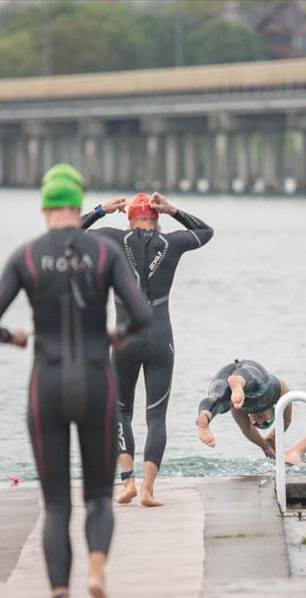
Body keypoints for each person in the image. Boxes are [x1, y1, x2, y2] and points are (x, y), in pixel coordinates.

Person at [0, 164, 152, 598]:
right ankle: (96, 571)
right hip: (96, 382)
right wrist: (116, 335)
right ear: (77, 206)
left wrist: (15, 338)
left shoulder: (26, 257)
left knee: (56, 507)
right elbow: (140, 315)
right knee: (99, 499)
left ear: (44, 206)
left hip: (47, 387)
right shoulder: (104, 252)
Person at [81, 193, 213, 507]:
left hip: (125, 340)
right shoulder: (173, 243)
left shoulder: (111, 239)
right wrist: (174, 210)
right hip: (160, 339)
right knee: (156, 418)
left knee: (119, 411)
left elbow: (68, 234)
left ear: (128, 217)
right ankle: (148, 491)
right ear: (157, 217)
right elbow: (206, 231)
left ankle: (127, 482)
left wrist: (101, 210)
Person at [196, 359, 292, 457]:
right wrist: (273, 436)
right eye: (266, 422)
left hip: (223, 376)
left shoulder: (239, 407)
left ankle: (205, 418)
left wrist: (265, 446)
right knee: (259, 387)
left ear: (250, 418)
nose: (259, 421)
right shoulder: (277, 393)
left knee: (220, 400)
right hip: (251, 371)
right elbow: (287, 420)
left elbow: (247, 430)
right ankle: (238, 381)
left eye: (256, 423)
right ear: (274, 411)